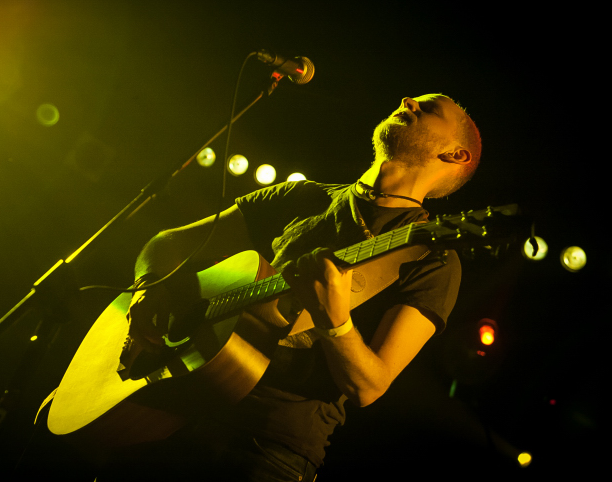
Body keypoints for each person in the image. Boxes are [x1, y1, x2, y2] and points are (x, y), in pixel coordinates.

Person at [95, 93, 481, 481]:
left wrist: (336, 322)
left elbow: (369, 387)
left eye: (430, 109)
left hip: (262, 448)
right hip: (168, 407)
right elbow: (167, 243)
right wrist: (148, 288)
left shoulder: (433, 258)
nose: (408, 100)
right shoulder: (303, 196)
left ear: (456, 155)